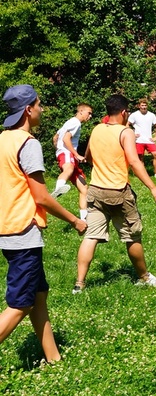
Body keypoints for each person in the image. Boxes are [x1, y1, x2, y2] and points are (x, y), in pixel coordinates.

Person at [0, 85, 87, 362]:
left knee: (38, 297)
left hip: (7, 227)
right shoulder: (28, 144)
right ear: (28, 109)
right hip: (23, 231)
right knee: (19, 304)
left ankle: (54, 359)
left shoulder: (3, 139)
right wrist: (74, 219)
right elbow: (41, 196)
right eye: (38, 104)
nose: (41, 108)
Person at [74, 95, 156, 294]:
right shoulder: (126, 132)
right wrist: (153, 187)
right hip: (118, 192)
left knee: (91, 236)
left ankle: (79, 284)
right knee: (132, 236)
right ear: (124, 112)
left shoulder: (97, 128)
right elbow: (134, 162)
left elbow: (89, 157)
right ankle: (144, 277)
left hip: (95, 191)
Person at [52, 103, 93, 220]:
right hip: (68, 153)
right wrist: (76, 154)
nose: (90, 116)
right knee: (68, 168)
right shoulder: (75, 123)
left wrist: (57, 151)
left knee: (84, 188)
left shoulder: (69, 122)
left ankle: (84, 218)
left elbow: (55, 137)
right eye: (88, 113)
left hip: (65, 153)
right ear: (81, 111)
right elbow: (66, 139)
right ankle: (59, 187)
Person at [128, 98, 156, 178]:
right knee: (140, 157)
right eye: (142, 105)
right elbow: (127, 125)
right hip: (139, 140)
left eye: (145, 105)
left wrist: (155, 136)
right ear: (139, 106)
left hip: (149, 140)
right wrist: (132, 134)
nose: (144, 107)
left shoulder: (151, 115)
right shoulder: (134, 115)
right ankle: (142, 174)